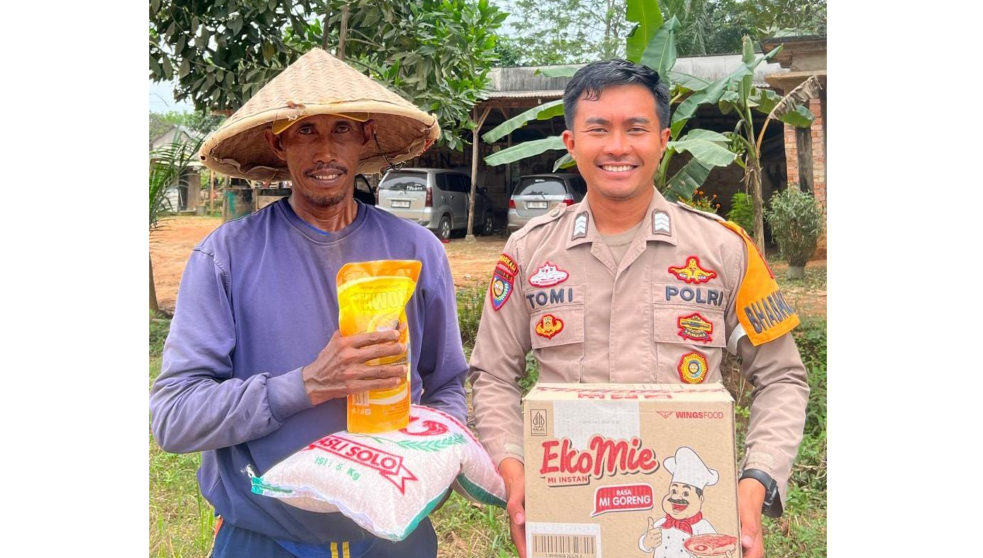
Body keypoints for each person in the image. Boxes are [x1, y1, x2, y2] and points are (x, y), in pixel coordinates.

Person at [469, 59, 810, 558]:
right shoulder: (528, 253)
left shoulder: (725, 249)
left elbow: (782, 378)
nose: (617, 146)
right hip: (570, 520)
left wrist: (756, 482)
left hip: (690, 530)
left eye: (636, 129)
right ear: (571, 143)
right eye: (598, 129)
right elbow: (493, 376)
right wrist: (512, 467)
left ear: (663, 139)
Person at [150, 48, 466, 558]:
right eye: (304, 131)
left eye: (342, 128)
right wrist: (306, 385)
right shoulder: (225, 256)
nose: (325, 150)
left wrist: (438, 460)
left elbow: (448, 384)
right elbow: (174, 417)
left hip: (393, 535)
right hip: (264, 537)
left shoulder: (417, 250)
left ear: (364, 138)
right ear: (278, 144)